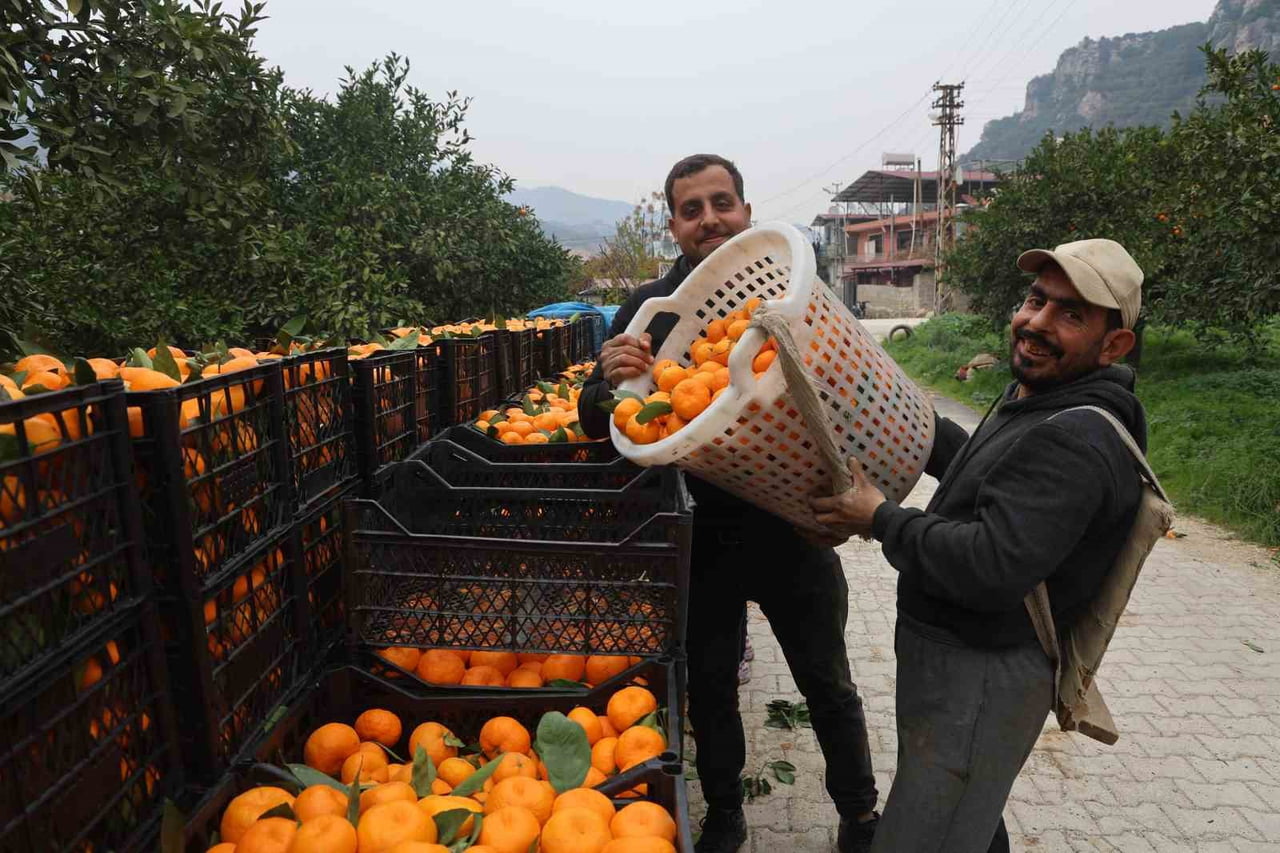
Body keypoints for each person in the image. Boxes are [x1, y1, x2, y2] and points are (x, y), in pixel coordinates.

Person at [579, 154, 881, 853]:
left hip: (793, 524)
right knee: (710, 686)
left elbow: (846, 382)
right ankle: (725, 813)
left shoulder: (787, 292)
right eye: (692, 209)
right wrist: (606, 380)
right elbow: (599, 419)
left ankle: (860, 815)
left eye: (722, 202)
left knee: (827, 683)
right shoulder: (647, 313)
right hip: (700, 535)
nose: (709, 218)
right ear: (674, 225)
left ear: (746, 211)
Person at [809, 238, 1147, 853]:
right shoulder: (1045, 396)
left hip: (982, 676)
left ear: (1114, 344)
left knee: (927, 830)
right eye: (1036, 299)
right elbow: (985, 471)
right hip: (955, 667)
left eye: (1070, 314)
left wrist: (881, 516)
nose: (1036, 323)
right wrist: (903, 413)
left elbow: (989, 565)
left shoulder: (1076, 438)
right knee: (966, 812)